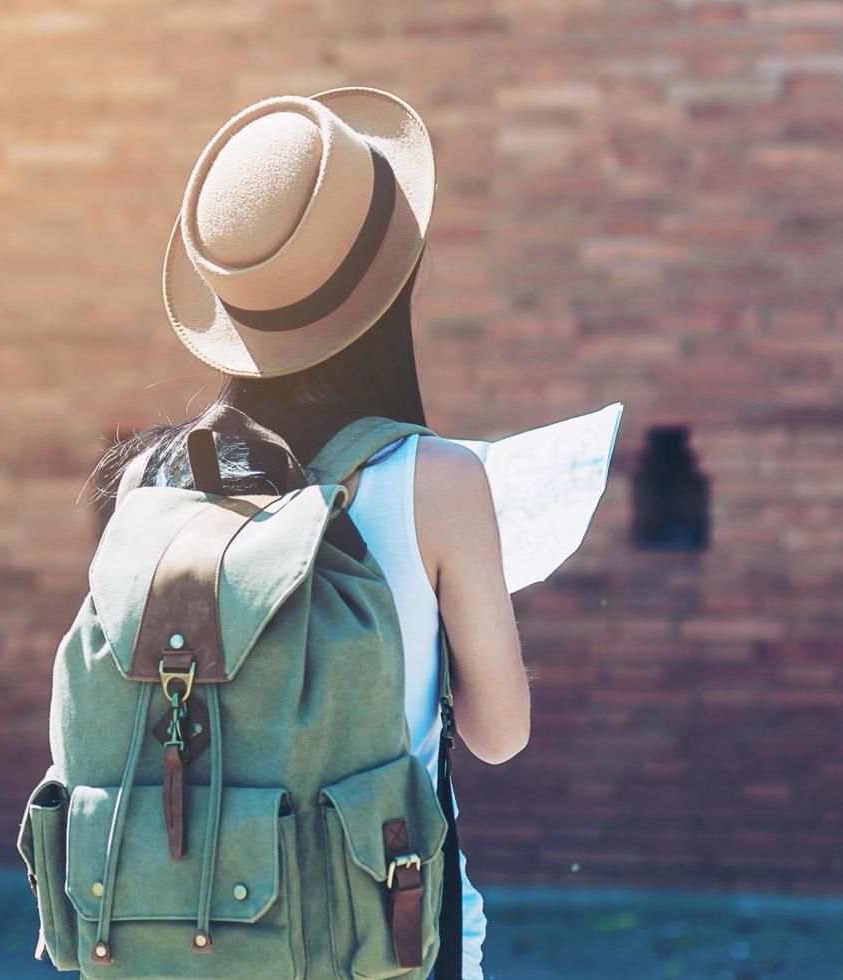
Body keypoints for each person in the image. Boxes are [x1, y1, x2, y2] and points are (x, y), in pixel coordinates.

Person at [88, 87, 530, 979]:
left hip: (175, 938)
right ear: (390, 285)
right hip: (377, 941)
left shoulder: (149, 480)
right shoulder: (436, 482)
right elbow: (500, 732)